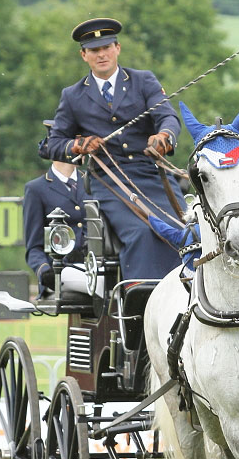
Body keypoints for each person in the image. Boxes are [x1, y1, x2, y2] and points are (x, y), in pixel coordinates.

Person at [45, 17, 185, 280]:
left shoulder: (143, 81)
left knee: (183, 230)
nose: (102, 55)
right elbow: (52, 144)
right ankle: (140, 294)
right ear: (84, 55)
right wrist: (78, 145)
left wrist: (164, 136)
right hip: (109, 181)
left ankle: (190, 291)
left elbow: (168, 116)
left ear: (117, 48)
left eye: (106, 47)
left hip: (152, 175)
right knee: (142, 233)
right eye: (94, 50)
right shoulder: (73, 96)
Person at [23, 120, 91, 296]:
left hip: (94, 266)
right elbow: (34, 247)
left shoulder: (93, 183)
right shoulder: (36, 189)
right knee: (99, 285)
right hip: (61, 271)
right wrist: (45, 271)